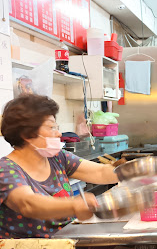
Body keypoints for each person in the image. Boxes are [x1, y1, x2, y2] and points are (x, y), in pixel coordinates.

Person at [0, 94, 119, 239]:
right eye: (51, 127)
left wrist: (132, 170)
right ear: (27, 134)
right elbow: (28, 204)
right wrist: (74, 205)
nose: (59, 133)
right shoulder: (6, 169)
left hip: (68, 245)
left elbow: (99, 172)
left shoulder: (57, 157)